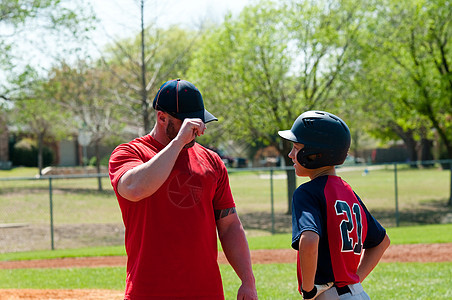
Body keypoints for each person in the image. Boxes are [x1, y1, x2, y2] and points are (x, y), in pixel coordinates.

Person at [109, 79, 257, 300]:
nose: (200, 131)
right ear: (162, 118)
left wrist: (248, 281)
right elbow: (134, 189)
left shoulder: (212, 161)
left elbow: (229, 226)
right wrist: (177, 143)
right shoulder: (130, 153)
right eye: (191, 124)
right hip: (149, 292)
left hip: (206, 293)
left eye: (201, 123)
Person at [278, 111, 390, 300]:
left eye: (296, 148)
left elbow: (309, 241)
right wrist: (355, 280)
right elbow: (382, 241)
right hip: (359, 295)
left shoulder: (306, 193)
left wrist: (308, 291)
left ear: (314, 155)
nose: (290, 154)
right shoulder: (349, 192)